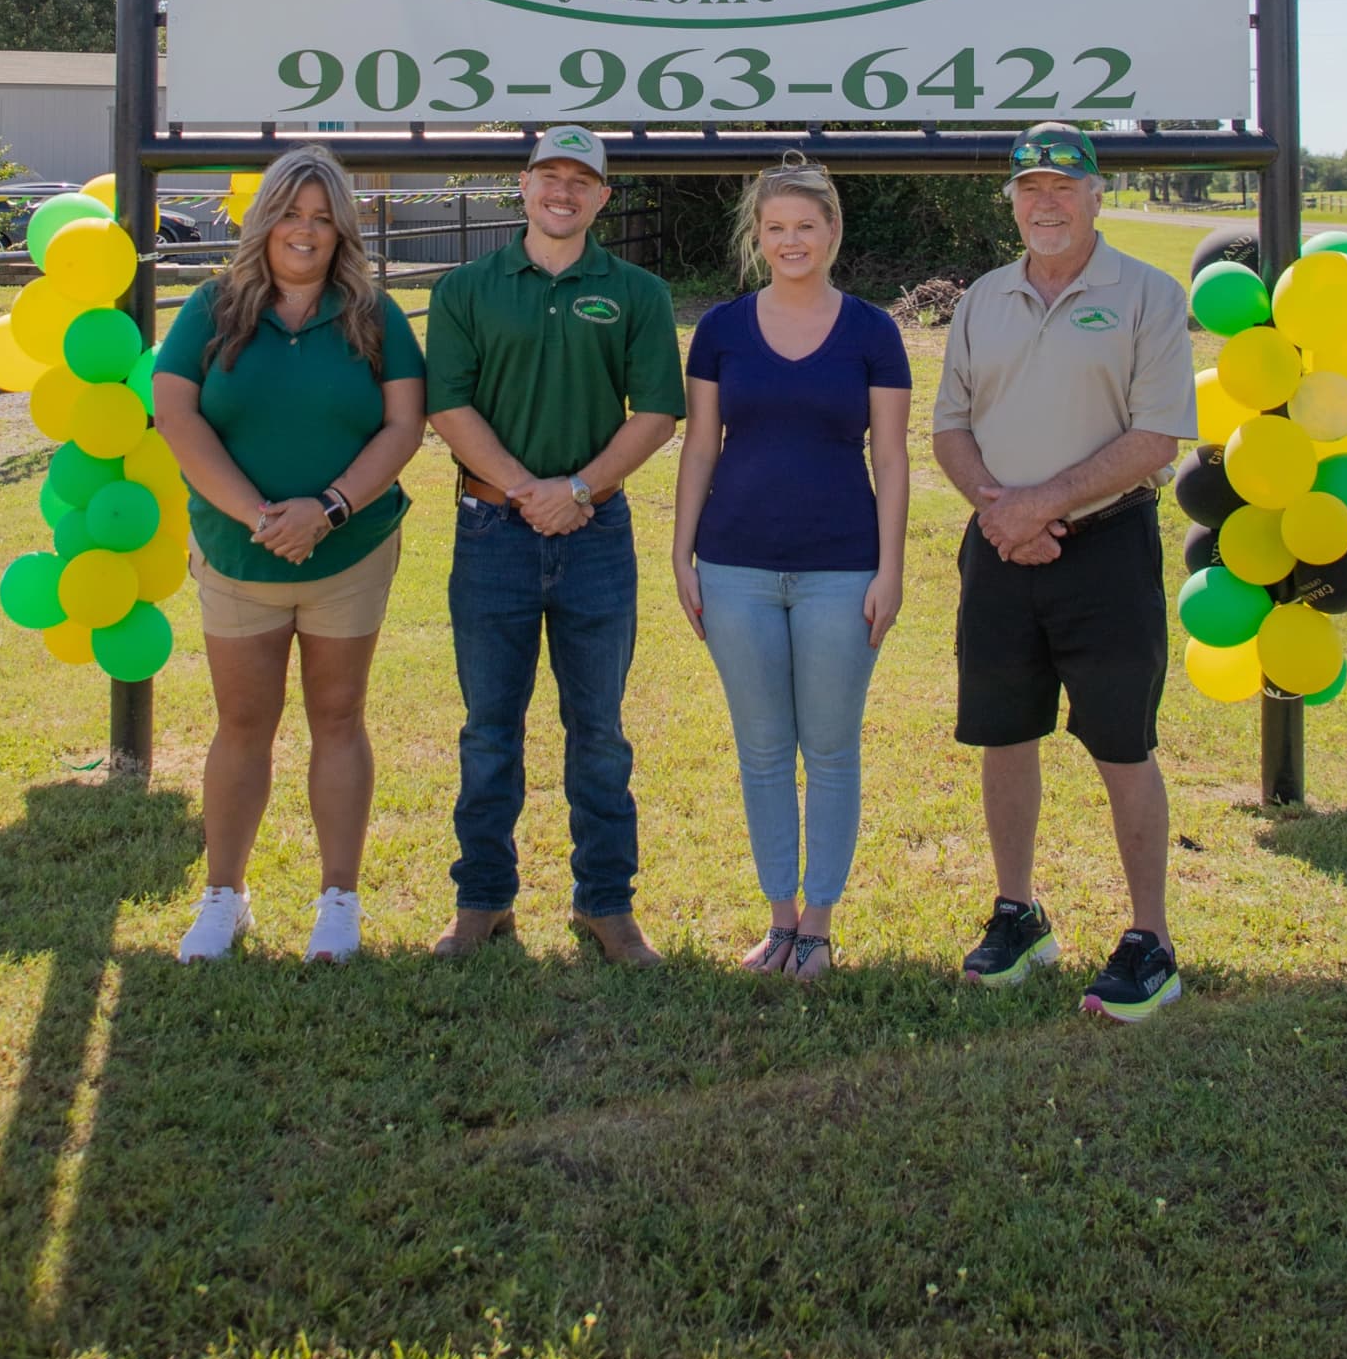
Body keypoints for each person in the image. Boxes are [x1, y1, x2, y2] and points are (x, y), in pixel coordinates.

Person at [931, 123, 1196, 1021]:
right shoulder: (983, 298)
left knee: (1122, 742)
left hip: (1107, 549)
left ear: (1095, 197)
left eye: (1063, 188)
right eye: (1030, 189)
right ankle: (1019, 913)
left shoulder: (1149, 294)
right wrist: (1002, 513)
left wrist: (1037, 504)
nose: (1046, 204)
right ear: (1012, 202)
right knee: (1005, 734)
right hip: (1002, 548)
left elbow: (1157, 437)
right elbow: (950, 427)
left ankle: (1150, 939)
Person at [153, 147, 426, 965]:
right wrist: (263, 517)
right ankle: (223, 897)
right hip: (241, 558)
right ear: (263, 219)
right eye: (291, 214)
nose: (305, 231)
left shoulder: (376, 315)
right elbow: (177, 416)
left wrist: (331, 509)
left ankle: (338, 901)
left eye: (321, 216)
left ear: (341, 228)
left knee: (338, 719)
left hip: (350, 555)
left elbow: (404, 426)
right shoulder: (212, 307)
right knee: (243, 724)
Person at [424, 126, 683, 966]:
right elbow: (449, 407)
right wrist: (530, 493)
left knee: (599, 732)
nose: (563, 191)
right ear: (523, 186)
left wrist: (576, 492)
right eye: (549, 175)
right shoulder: (467, 287)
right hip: (490, 531)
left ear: (603, 197)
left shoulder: (636, 291)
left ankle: (607, 906)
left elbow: (654, 413)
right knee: (489, 730)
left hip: (596, 536)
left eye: (582, 179)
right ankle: (482, 901)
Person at [672, 160, 910, 982]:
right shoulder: (722, 330)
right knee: (764, 751)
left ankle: (819, 925)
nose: (791, 240)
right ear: (757, 236)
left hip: (843, 571)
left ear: (833, 232)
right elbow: (701, 445)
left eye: (806, 226)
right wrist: (682, 552)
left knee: (832, 749)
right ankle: (777, 921)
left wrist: (892, 569)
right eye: (776, 227)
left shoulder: (874, 332)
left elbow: (892, 455)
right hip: (734, 564)